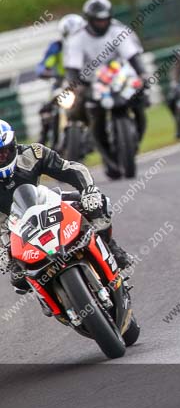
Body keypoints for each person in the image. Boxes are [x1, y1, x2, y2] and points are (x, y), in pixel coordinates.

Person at [0, 119, 131, 295]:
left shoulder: (33, 153)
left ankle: (111, 248)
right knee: (19, 279)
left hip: (43, 202)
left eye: (4, 151)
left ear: (13, 145)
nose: (1, 157)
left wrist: (89, 190)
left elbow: (71, 169)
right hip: (7, 225)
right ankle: (48, 296)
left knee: (97, 204)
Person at [63, 0, 149, 177]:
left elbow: (133, 57)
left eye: (104, 18)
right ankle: (105, 153)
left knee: (141, 98)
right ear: (89, 19)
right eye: (97, 19)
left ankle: (136, 135)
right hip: (91, 81)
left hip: (120, 76)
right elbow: (72, 68)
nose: (102, 23)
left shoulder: (119, 31)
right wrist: (76, 87)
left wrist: (142, 75)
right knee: (88, 114)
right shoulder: (77, 38)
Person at [36, 14, 85, 143]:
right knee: (46, 110)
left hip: (83, 84)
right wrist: (45, 72)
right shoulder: (57, 47)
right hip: (61, 84)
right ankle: (43, 141)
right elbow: (44, 64)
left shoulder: (88, 46)